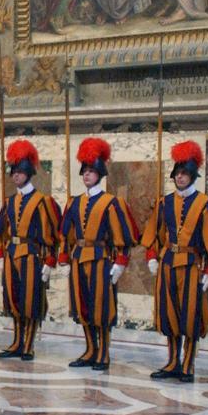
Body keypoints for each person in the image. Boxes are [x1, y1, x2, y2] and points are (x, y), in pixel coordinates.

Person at [140, 141, 208, 382]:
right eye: (177, 173)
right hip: (168, 263)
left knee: (190, 316)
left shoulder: (206, 205)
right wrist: (152, 257)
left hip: (192, 266)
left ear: (192, 175)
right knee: (169, 315)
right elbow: (155, 234)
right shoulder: (164, 202)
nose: (180, 177)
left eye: (184, 173)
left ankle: (188, 364)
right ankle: (172, 362)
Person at [58, 137, 137, 371]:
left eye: (91, 171)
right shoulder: (73, 203)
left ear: (99, 174)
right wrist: (64, 257)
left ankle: (104, 352)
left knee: (101, 307)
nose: (87, 175)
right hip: (78, 258)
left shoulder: (111, 202)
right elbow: (65, 233)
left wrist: (120, 262)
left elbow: (123, 236)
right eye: (84, 171)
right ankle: (90, 349)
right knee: (83, 306)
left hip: (101, 260)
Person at [0, 140, 62, 361]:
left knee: (31, 301)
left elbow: (53, 235)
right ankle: (17, 341)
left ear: (29, 173)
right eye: (13, 171)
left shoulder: (43, 202)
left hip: (33, 256)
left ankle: (28, 344)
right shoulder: (9, 202)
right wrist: (0, 253)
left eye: (20, 171)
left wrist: (50, 261)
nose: (15, 175)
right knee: (13, 299)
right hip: (12, 254)